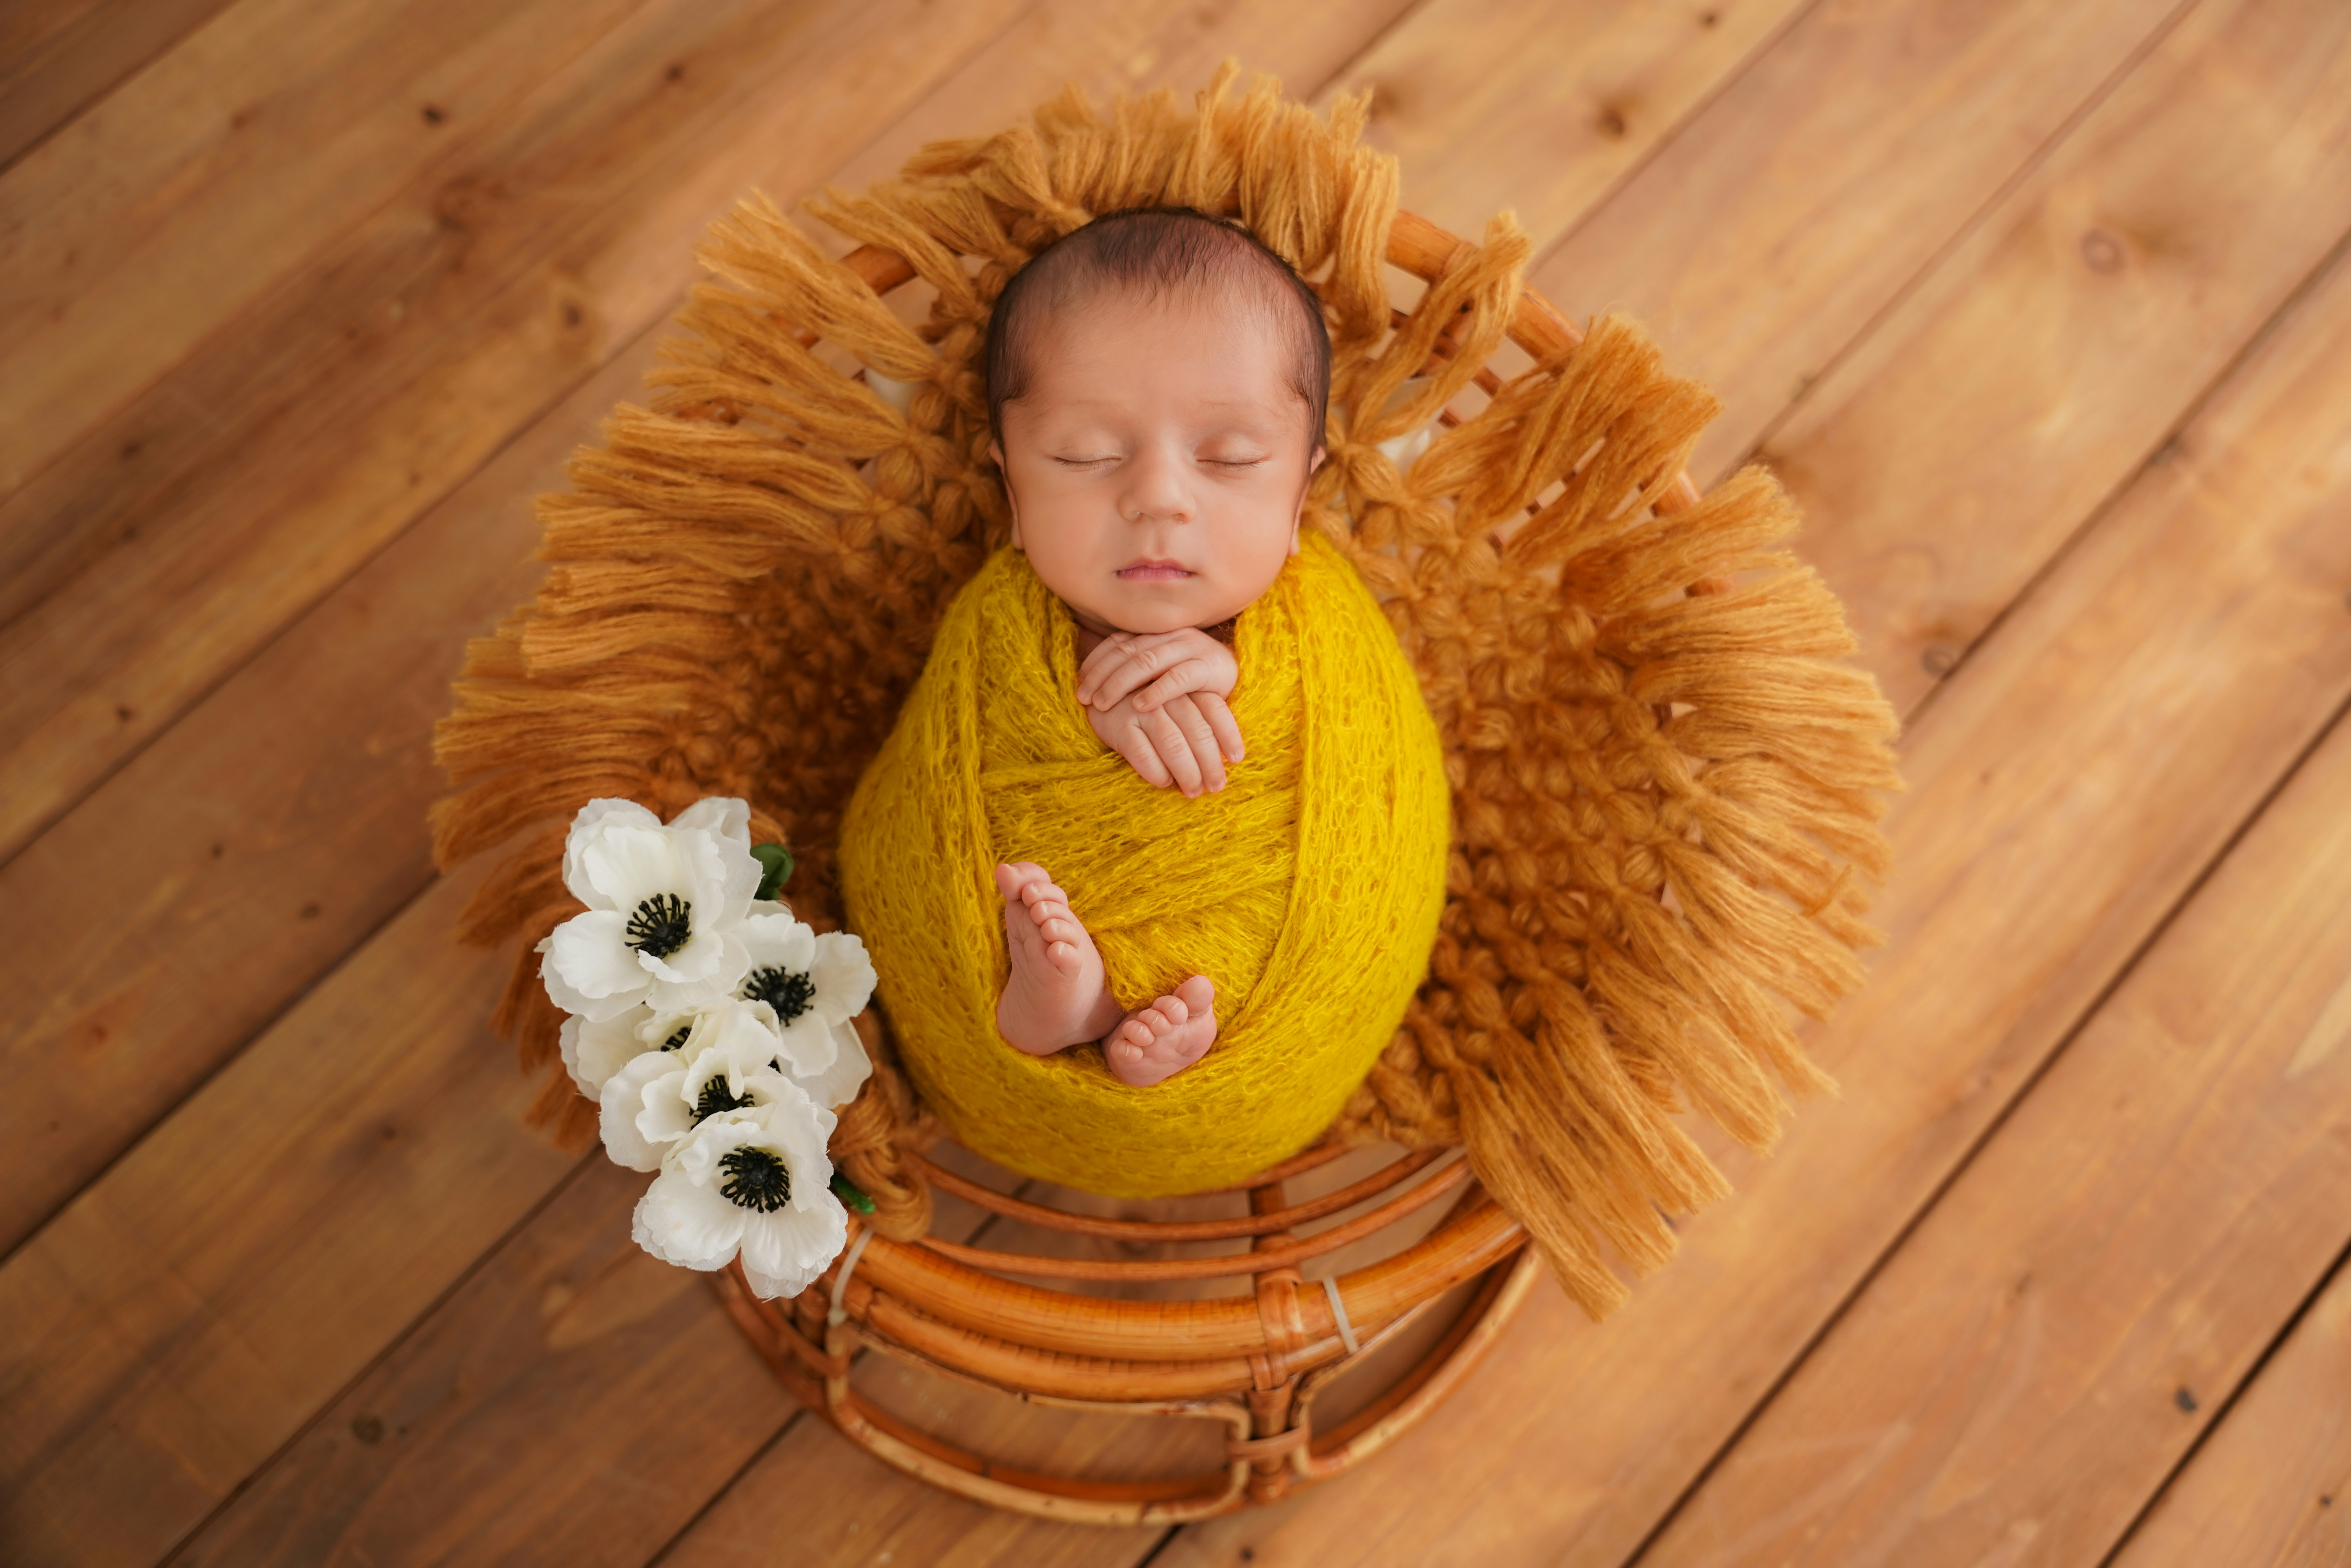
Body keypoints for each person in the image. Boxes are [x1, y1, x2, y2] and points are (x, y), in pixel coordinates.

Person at [976, 206, 1330, 1088]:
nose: (1159, 497)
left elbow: (1355, 732)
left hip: (1269, 991)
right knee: (997, 888)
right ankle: (1066, 1005)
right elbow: (953, 750)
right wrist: (1079, 707)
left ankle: (1119, 1009)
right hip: (1022, 908)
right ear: (1011, 490)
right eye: (1086, 455)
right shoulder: (1001, 623)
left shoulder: (1310, 622)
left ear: (1301, 502)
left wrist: (1243, 677)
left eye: (1233, 458)